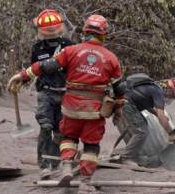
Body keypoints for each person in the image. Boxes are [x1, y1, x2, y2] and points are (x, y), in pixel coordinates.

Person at [7, 14, 123, 193]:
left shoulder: (71, 50)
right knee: (91, 145)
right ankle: (85, 182)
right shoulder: (112, 58)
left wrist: (23, 75)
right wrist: (118, 108)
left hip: (70, 107)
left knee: (68, 138)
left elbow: (46, 65)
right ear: (103, 35)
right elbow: (120, 88)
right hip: (94, 111)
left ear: (85, 32)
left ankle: (66, 166)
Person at [10, 9, 73, 179]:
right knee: (45, 127)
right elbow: (34, 70)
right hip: (46, 92)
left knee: (61, 132)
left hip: (65, 93)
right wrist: (20, 81)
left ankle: (55, 162)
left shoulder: (69, 45)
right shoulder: (37, 48)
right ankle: (44, 165)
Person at [113, 73, 175, 166]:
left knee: (142, 127)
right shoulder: (158, 92)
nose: (169, 98)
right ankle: (126, 157)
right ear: (169, 90)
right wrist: (171, 133)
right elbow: (162, 116)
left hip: (129, 102)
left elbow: (147, 105)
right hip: (127, 104)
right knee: (141, 132)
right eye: (171, 95)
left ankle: (134, 156)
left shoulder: (154, 87)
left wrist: (156, 114)